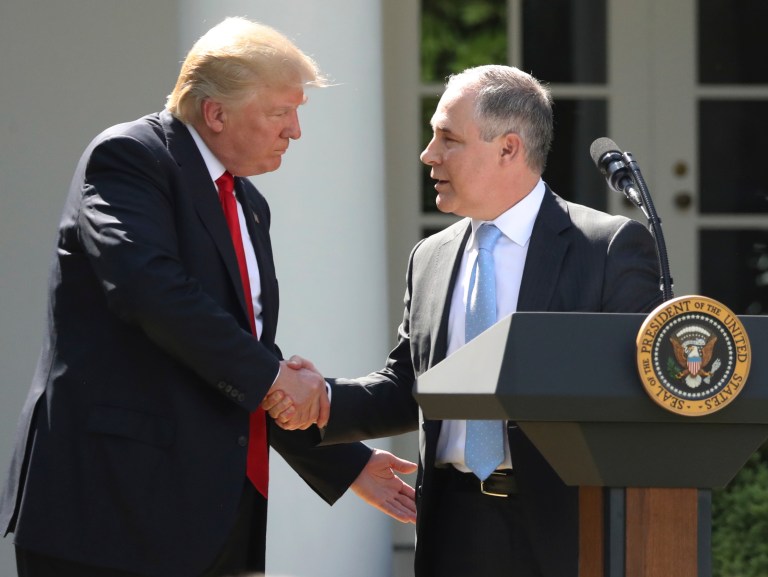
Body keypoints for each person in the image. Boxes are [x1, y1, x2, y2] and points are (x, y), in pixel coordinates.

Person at [0, 16, 416, 577]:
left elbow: (233, 354)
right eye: (279, 113)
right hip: (111, 513)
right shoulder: (129, 157)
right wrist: (278, 381)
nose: (294, 131)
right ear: (215, 113)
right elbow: (151, 291)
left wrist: (344, 462)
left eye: (297, 113)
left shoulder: (248, 203)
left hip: (214, 517)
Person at [267, 65, 664, 577]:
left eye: (447, 139)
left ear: (508, 148)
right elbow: (410, 385)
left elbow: (633, 397)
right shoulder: (430, 257)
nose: (428, 154)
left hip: (570, 529)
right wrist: (321, 399)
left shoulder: (608, 248)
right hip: (452, 525)